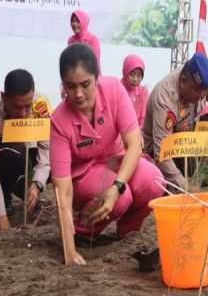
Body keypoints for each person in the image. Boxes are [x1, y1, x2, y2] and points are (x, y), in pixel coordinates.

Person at [51, 44, 164, 265]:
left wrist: (117, 186)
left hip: (116, 159)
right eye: (71, 87)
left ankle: (129, 232)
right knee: (122, 197)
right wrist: (70, 251)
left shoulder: (113, 89)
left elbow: (134, 145)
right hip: (85, 175)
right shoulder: (59, 121)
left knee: (154, 180)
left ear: (97, 78)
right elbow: (62, 192)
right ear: (63, 85)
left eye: (85, 84)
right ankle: (84, 230)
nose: (79, 94)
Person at [143, 53, 208, 192]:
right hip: (165, 151)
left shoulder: (202, 84)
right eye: (197, 91)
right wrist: (185, 186)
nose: (200, 97)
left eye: (203, 94)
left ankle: (206, 180)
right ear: (183, 80)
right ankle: (188, 182)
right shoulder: (164, 98)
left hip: (189, 141)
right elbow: (161, 153)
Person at [0, 69, 52, 230]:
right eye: (16, 107)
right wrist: (3, 223)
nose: (23, 113)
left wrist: (37, 184)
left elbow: (47, 150)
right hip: (3, 162)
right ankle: (5, 199)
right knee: (11, 153)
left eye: (27, 106)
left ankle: (31, 196)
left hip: (29, 160)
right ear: (4, 97)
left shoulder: (40, 106)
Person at [121, 55, 148, 128]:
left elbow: (143, 119)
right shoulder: (117, 89)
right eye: (132, 74)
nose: (135, 79)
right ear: (125, 72)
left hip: (136, 132)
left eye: (139, 76)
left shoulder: (143, 92)